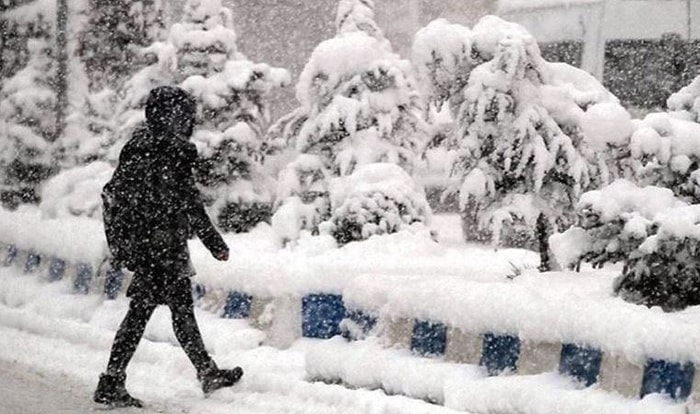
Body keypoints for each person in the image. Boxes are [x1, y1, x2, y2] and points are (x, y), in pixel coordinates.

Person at [94, 86, 243, 408]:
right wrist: (214, 242)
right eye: (183, 113)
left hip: (146, 245)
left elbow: (123, 195)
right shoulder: (170, 151)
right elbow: (189, 202)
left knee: (170, 310)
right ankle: (112, 380)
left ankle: (204, 371)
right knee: (151, 313)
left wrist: (131, 241)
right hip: (161, 247)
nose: (187, 119)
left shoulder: (137, 147)